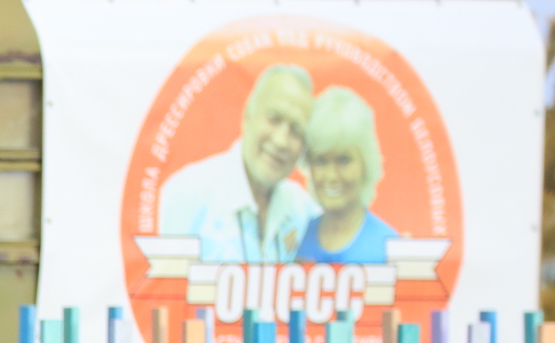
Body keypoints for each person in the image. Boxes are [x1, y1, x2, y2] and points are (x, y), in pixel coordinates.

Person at [157, 63, 317, 262]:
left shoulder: (302, 208)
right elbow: (162, 290)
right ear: (247, 115)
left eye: (296, 130)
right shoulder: (188, 195)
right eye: (274, 119)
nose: (281, 140)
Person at [295, 85, 397, 265]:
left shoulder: (390, 248)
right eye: (321, 161)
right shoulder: (298, 238)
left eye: (343, 160)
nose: (331, 176)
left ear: (365, 164)